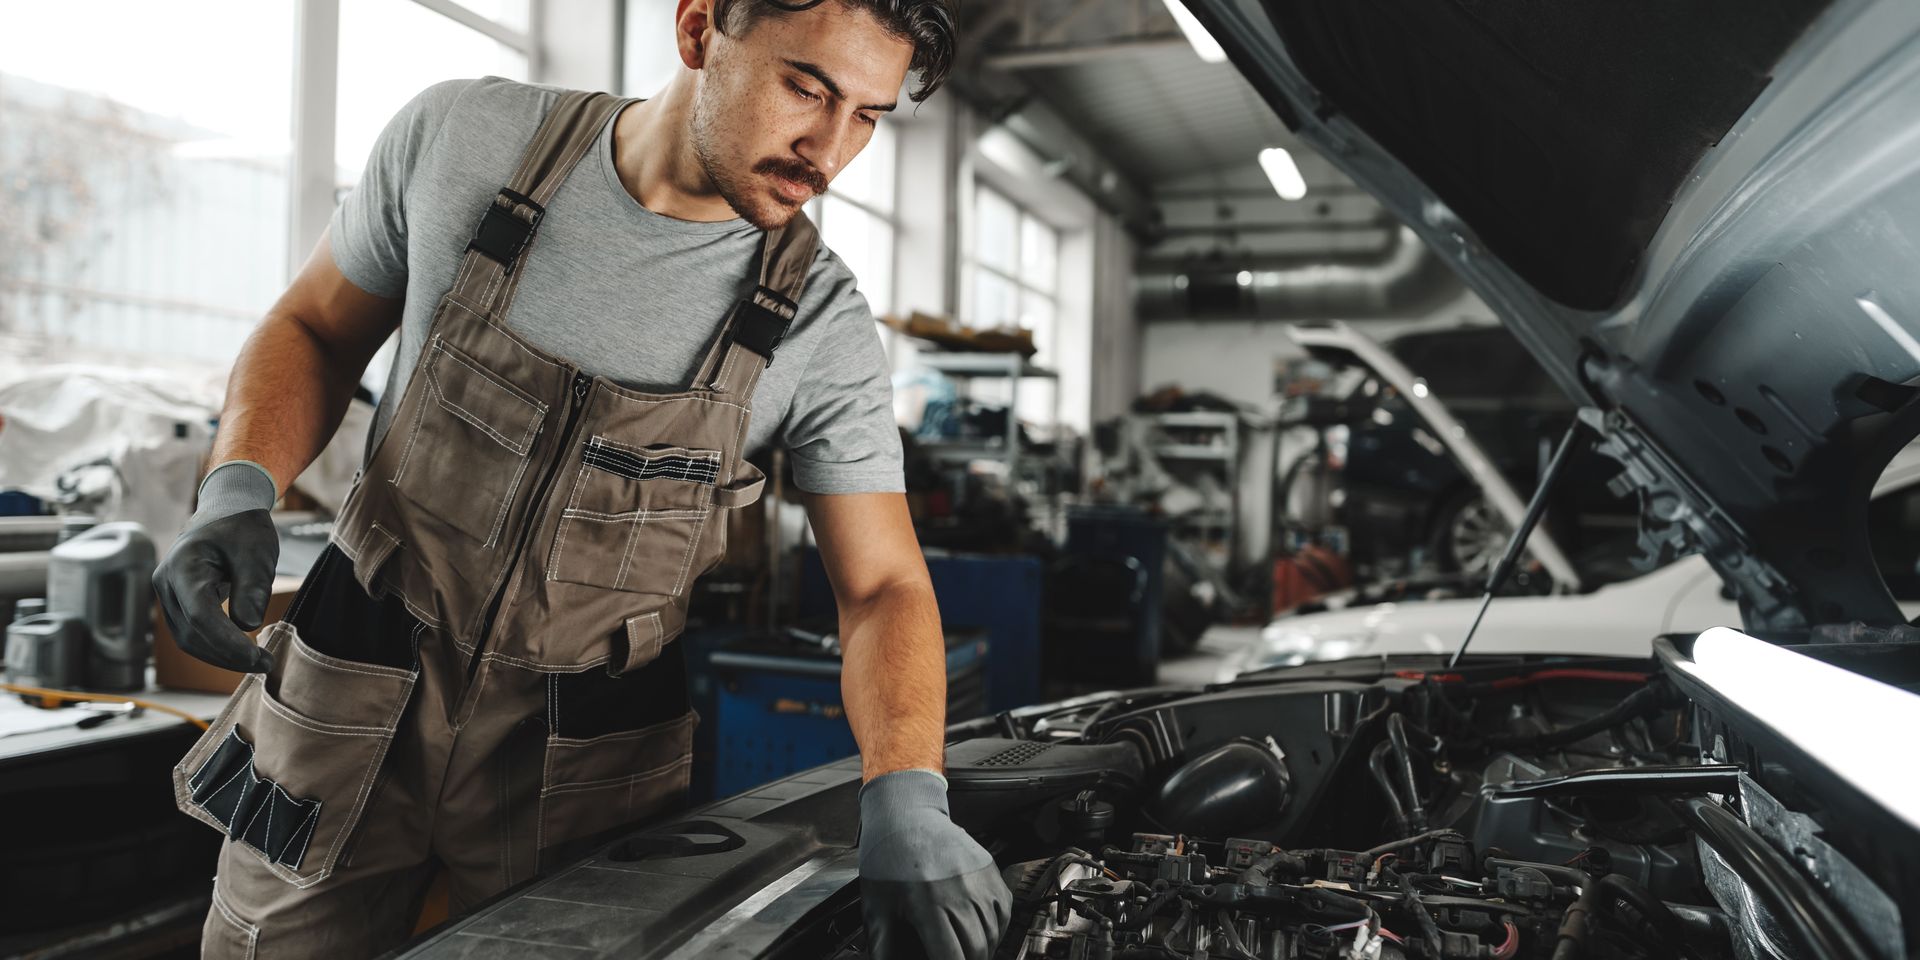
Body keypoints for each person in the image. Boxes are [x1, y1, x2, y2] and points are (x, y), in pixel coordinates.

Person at [150, 1, 1011, 957]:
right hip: (350, 685)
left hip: (584, 756)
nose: (829, 148)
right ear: (698, 32)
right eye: (806, 88)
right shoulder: (465, 140)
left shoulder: (818, 324)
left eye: (868, 116)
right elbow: (313, 327)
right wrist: (236, 488)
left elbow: (883, 585)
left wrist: (905, 789)